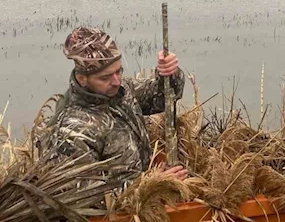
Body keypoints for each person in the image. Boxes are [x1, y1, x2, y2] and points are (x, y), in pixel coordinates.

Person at [43, 26, 188, 185]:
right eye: (105, 78)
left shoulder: (121, 91)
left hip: (144, 202)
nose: (116, 82)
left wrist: (168, 72)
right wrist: (151, 184)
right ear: (82, 79)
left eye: (119, 71)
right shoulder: (73, 131)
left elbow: (161, 98)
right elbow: (86, 199)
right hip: (123, 207)